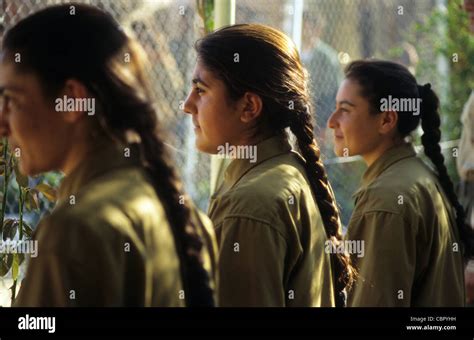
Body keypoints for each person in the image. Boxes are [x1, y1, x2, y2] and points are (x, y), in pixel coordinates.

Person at [0, 4, 217, 307]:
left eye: (11, 99)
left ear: (72, 100)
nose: (2, 123)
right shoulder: (189, 218)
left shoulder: (72, 232)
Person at [183, 24, 355, 307]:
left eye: (201, 90)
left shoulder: (250, 204)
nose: (187, 105)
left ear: (249, 107)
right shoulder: (286, 170)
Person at [327, 59, 473, 306]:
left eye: (346, 109)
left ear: (386, 120)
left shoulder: (386, 197)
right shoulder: (414, 176)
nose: (332, 121)